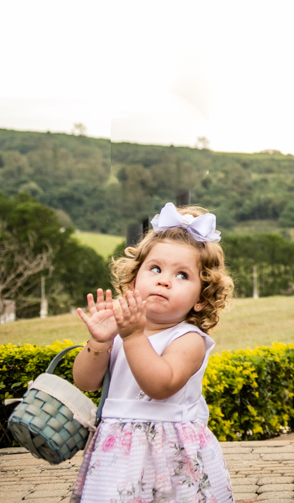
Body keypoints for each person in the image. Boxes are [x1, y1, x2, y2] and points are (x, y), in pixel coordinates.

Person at [71, 202, 235, 503]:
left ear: (201, 298)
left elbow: (160, 386)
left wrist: (132, 335)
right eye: (155, 269)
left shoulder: (188, 339)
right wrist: (99, 342)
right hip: (115, 453)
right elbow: (86, 382)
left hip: (171, 455)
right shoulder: (121, 333)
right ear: (134, 281)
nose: (164, 280)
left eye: (182, 275)